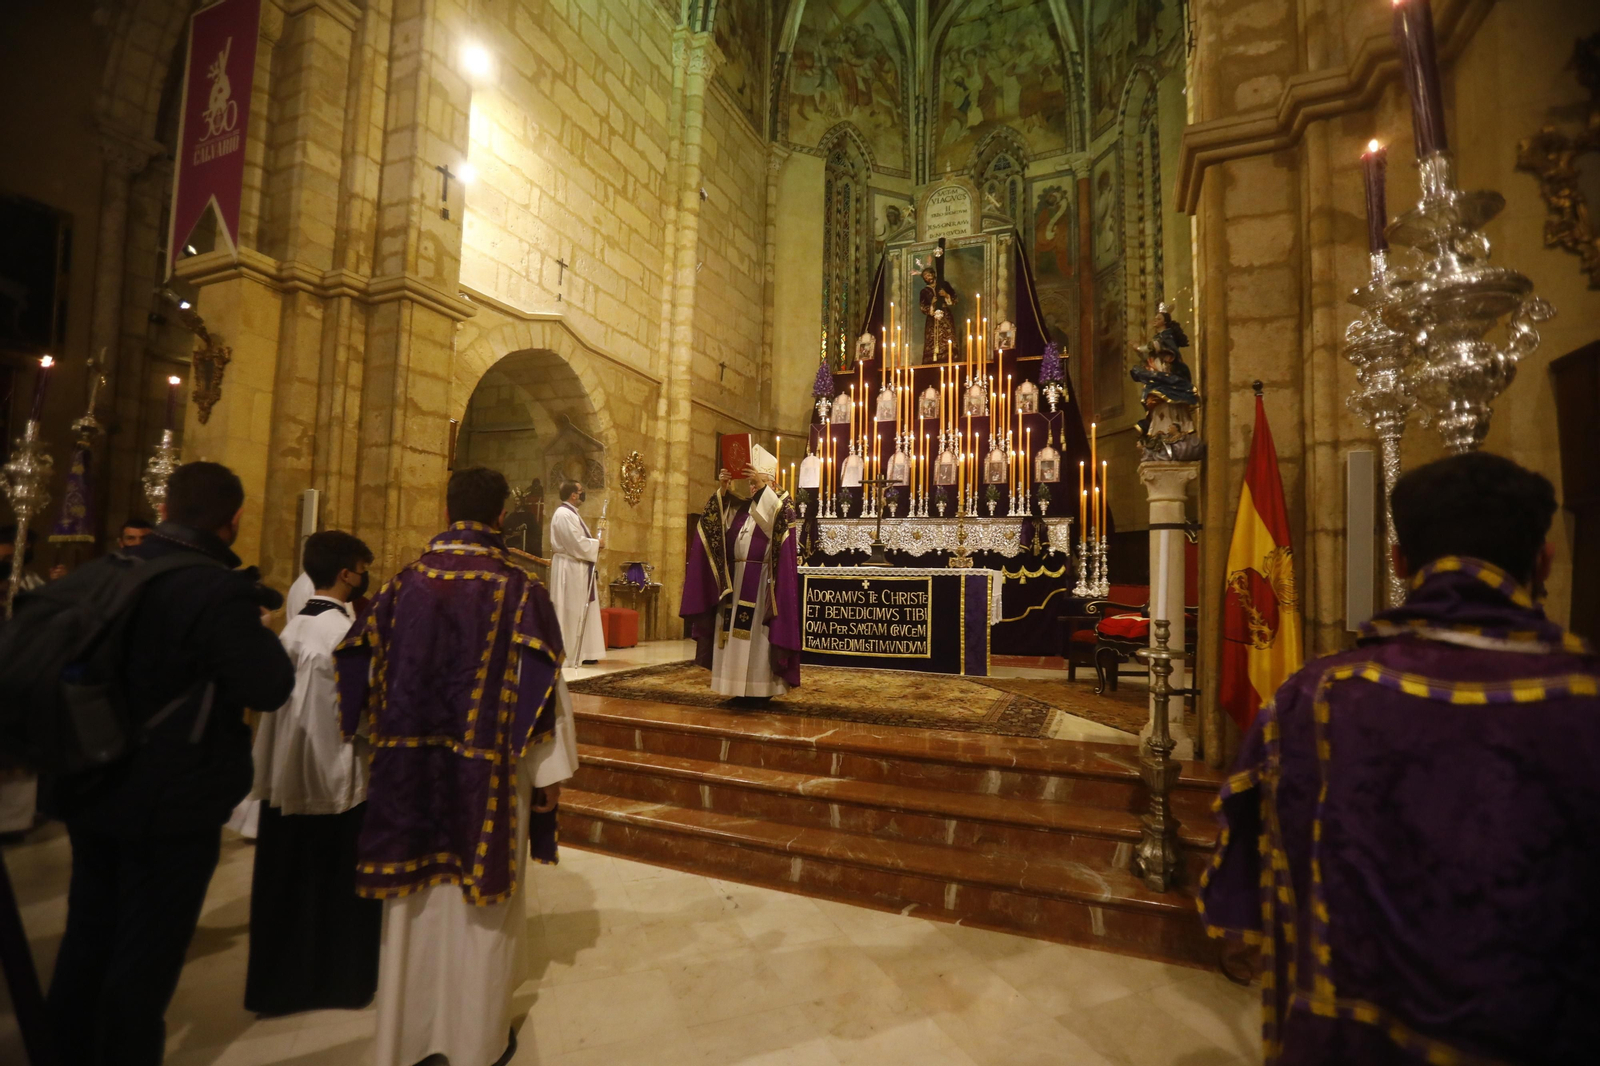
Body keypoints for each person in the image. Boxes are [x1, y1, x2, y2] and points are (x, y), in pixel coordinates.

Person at [1199, 451, 1600, 1065]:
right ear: (1543, 558)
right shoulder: (1583, 699)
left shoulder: (1316, 695)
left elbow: (1252, 858)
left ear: (1399, 559)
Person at [44, 461, 296, 1066]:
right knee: (144, 957)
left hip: (92, 782)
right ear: (233, 520)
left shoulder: (108, 569)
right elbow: (269, 686)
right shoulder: (215, 589)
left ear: (164, 508)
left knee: (87, 937)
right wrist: (256, 627)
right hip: (170, 802)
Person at [335, 466, 577, 1066]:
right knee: (479, 913)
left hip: (408, 778)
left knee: (413, 907)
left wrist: (380, 744)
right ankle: (476, 1043)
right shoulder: (518, 591)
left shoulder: (398, 587)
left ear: (448, 512)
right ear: (500, 517)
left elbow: (354, 668)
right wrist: (548, 777)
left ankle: (406, 1040)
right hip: (487, 780)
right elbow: (543, 690)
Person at [245, 530, 381, 1016]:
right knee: (334, 883)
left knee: (288, 882)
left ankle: (281, 984)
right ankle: (341, 981)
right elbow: (361, 709)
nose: (365, 577)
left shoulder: (293, 627)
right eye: (362, 568)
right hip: (334, 778)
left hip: (287, 773)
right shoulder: (342, 634)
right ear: (347, 573)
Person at [681, 445, 802, 699]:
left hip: (761, 586)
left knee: (756, 639)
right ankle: (733, 685)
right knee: (731, 636)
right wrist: (724, 490)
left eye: (758, 482)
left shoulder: (783, 505)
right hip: (734, 582)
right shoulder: (741, 509)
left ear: (772, 482)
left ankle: (760, 689)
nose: (752, 488)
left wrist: (762, 490)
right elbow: (716, 526)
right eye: (750, 484)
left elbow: (774, 525)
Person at [548, 478, 604, 666]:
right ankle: (570, 652)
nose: (582, 493)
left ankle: (586, 651)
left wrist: (593, 545)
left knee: (580, 609)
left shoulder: (572, 513)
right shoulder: (563, 514)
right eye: (580, 491)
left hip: (577, 567)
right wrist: (597, 544)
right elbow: (575, 543)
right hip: (569, 569)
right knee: (570, 610)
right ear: (573, 495)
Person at [918, 264, 957, 364]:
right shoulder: (924, 291)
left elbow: (955, 299)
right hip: (932, 319)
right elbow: (923, 307)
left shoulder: (944, 285)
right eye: (925, 277)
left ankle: (949, 357)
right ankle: (932, 360)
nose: (927, 277)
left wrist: (946, 295)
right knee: (932, 339)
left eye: (928, 275)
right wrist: (932, 304)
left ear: (933, 274)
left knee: (947, 336)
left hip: (945, 315)